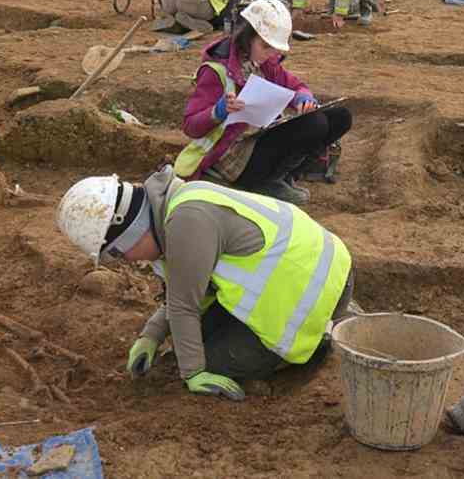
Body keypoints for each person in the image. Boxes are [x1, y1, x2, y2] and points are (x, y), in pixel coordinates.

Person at [56, 166, 355, 401]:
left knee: (205, 359)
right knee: (197, 336)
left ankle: (321, 338)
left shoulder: (186, 222)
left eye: (119, 254)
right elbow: (185, 292)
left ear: (131, 233)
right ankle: (335, 316)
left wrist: (194, 373)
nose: (128, 262)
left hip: (310, 292)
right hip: (326, 269)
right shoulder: (179, 202)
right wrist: (152, 335)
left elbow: (185, 305)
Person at [173, 0, 352, 205]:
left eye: (274, 49)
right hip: (229, 156)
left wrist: (304, 98)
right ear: (247, 37)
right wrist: (219, 111)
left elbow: (295, 86)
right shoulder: (216, 72)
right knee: (314, 124)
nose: (270, 54)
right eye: (266, 46)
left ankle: (283, 176)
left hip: (257, 140)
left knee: (340, 117)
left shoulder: (263, 62)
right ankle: (265, 183)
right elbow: (190, 126)